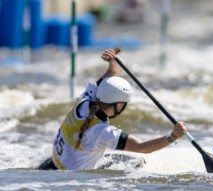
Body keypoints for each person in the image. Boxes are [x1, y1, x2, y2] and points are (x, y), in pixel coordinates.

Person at [38, 48, 187, 170]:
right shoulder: (103, 133)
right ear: (119, 105)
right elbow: (143, 148)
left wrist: (113, 61)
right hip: (66, 182)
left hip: (49, 167)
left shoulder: (85, 100)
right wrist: (173, 136)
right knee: (137, 162)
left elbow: (114, 72)